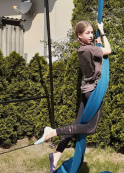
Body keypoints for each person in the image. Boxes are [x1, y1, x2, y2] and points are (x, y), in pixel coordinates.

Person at [34, 20, 111, 173]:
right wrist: (101, 32)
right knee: (90, 127)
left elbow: (96, 54)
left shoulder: (83, 49)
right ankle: (52, 132)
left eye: (91, 32)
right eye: (87, 33)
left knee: (76, 125)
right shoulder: (90, 49)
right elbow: (108, 49)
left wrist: (96, 44)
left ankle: (56, 154)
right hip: (94, 91)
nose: (90, 35)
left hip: (86, 90)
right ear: (79, 35)